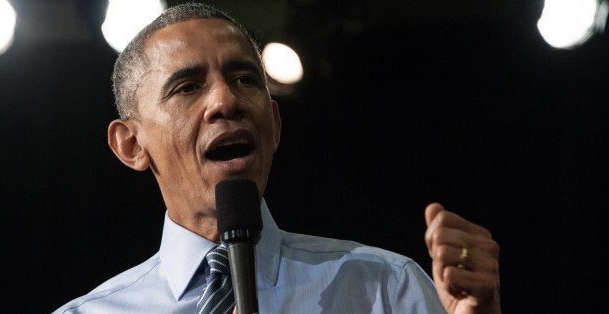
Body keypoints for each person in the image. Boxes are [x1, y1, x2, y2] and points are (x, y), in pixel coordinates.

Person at [54, 2, 500, 313]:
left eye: (245, 78)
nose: (225, 101)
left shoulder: (385, 287)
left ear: (275, 123)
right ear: (131, 145)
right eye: (188, 87)